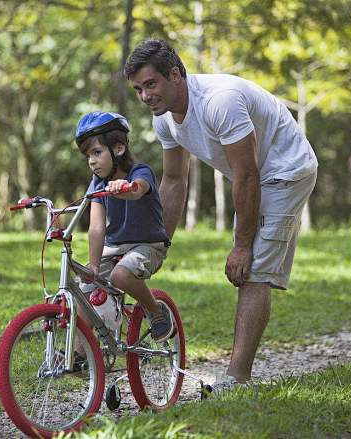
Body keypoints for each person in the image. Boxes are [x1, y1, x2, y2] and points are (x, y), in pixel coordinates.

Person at [124, 39, 318, 388]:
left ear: (175, 74)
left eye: (150, 84)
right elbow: (173, 181)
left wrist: (242, 245)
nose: (145, 97)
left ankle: (236, 378)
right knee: (251, 266)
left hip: (286, 168)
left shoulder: (219, 101)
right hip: (255, 174)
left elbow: (247, 174)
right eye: (138, 89)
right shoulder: (165, 120)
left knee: (252, 267)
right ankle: (237, 373)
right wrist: (158, 244)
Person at [75, 110, 174, 342]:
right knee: (84, 288)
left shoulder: (140, 172)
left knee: (121, 276)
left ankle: (156, 311)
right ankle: (80, 354)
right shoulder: (98, 183)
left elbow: (138, 190)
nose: (91, 161)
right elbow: (97, 227)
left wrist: (126, 187)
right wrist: (95, 267)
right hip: (115, 247)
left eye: (97, 152)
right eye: (88, 156)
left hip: (148, 245)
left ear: (118, 149)